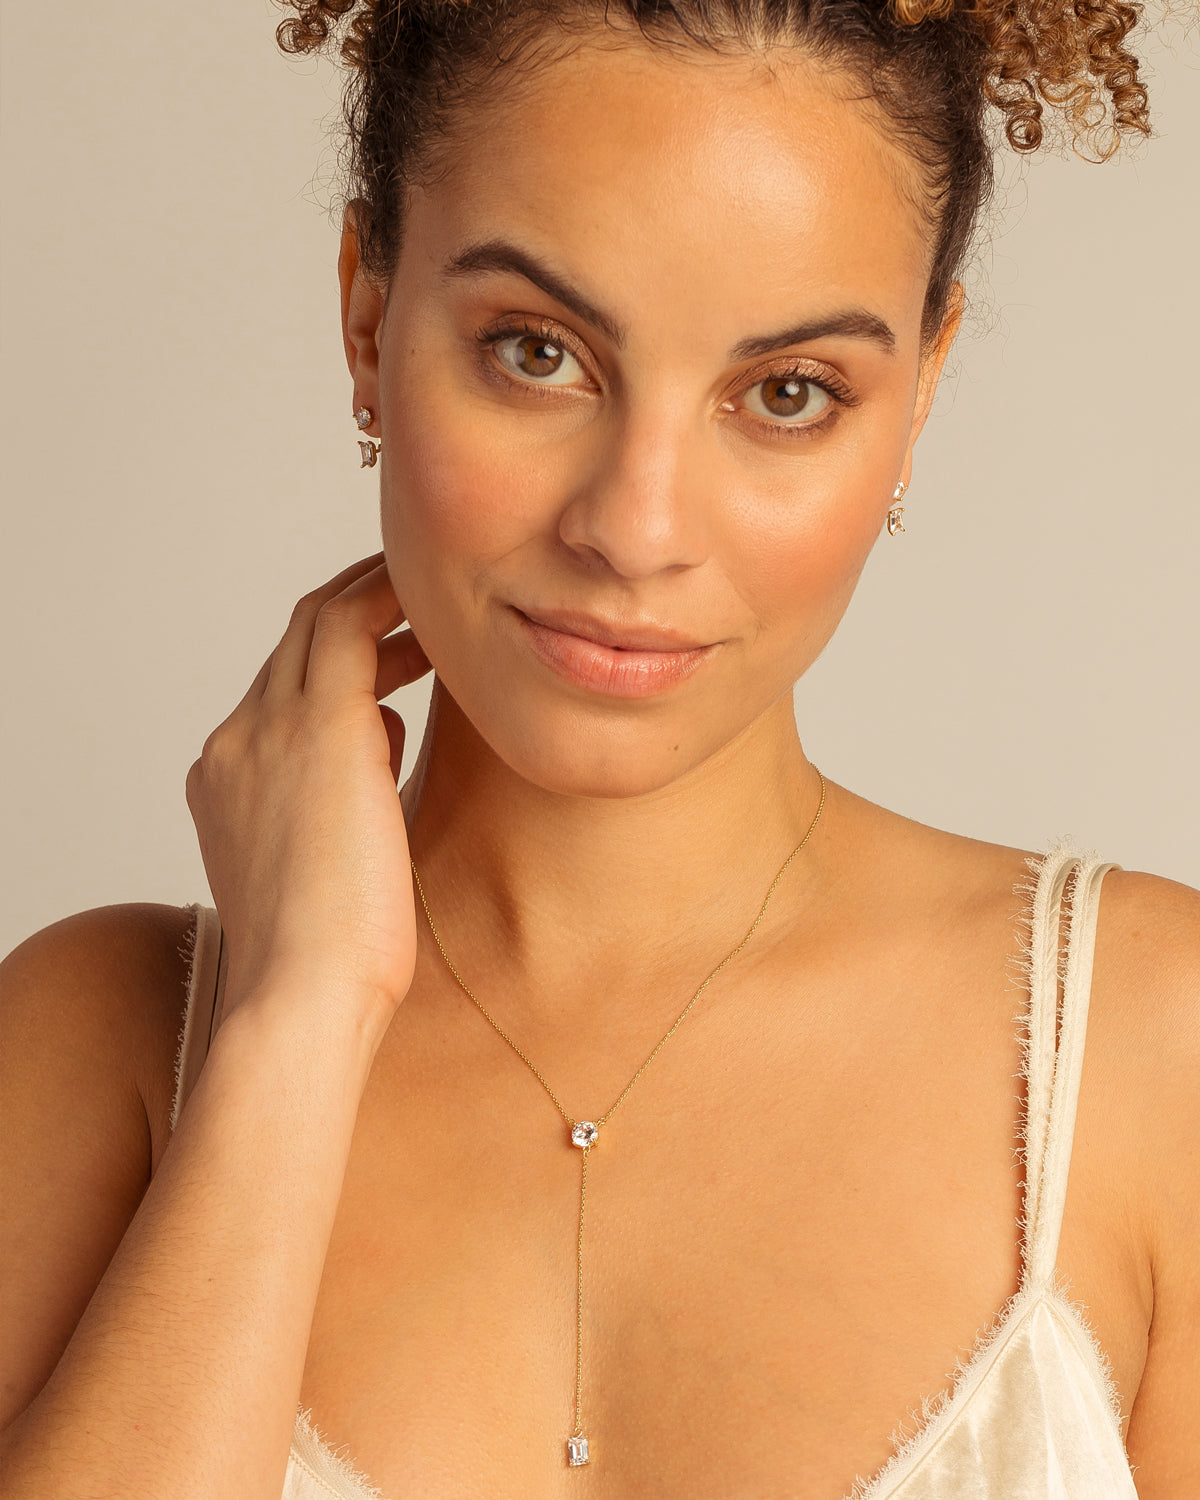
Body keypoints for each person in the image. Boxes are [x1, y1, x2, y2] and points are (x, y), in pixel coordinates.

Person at [1, 0, 1197, 1493]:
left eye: (787, 394)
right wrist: (296, 1022)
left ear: (922, 391)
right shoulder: (91, 1049)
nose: (636, 528)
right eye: (536, 353)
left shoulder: (1154, 1051)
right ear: (369, 316)